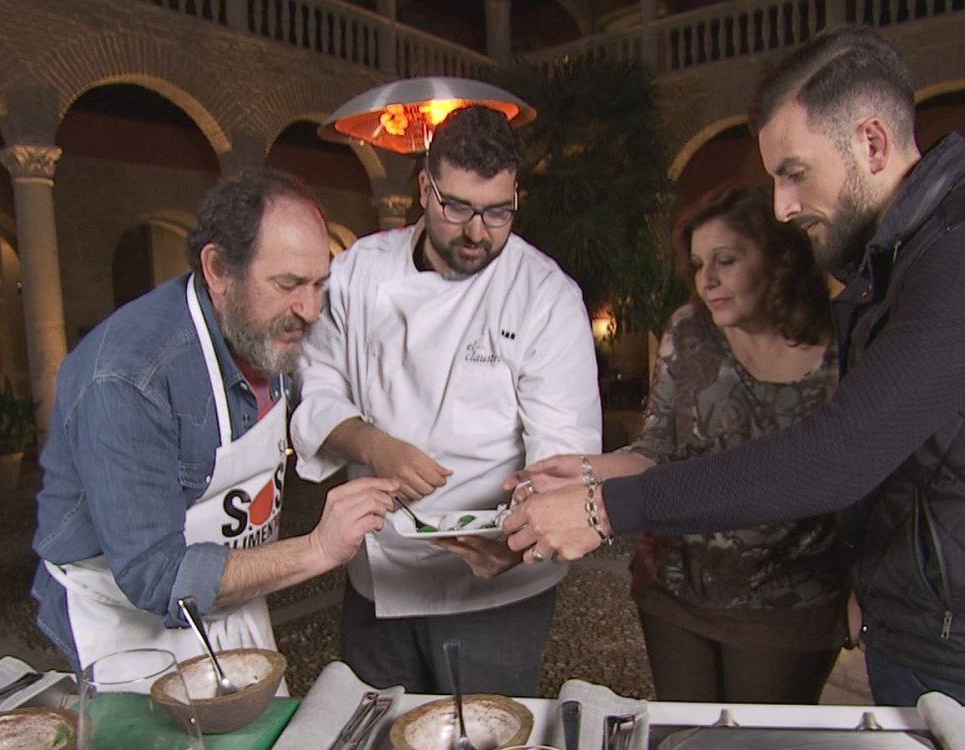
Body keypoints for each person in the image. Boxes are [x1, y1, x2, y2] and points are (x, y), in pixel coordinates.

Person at [504, 25, 965, 718]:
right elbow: (909, 455)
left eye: (794, 173)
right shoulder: (907, 254)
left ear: (871, 142)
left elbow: (836, 455)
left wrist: (604, 506)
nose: (781, 207)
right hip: (927, 640)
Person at [289, 106, 601, 696]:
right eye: (456, 207)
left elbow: (564, 451)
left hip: (496, 586)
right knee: (375, 739)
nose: (477, 232)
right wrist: (372, 445)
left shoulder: (546, 297)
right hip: (379, 571)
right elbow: (317, 383)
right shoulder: (360, 271)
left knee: (485, 749)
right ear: (425, 188)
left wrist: (520, 541)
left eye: (498, 212)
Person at [31, 169, 398, 670]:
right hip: (124, 622)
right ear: (218, 269)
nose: (310, 310)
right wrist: (316, 549)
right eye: (288, 283)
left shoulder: (267, 331)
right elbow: (155, 576)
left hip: (233, 594)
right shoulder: (126, 378)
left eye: (319, 284)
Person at [512, 184, 850, 705]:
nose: (706, 280)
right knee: (683, 741)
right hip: (675, 587)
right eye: (697, 264)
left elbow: (859, 477)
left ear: (779, 258)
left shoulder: (842, 343)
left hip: (790, 602)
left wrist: (865, 588)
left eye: (726, 260)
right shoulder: (690, 331)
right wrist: (583, 470)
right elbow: (657, 451)